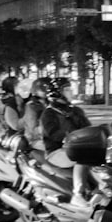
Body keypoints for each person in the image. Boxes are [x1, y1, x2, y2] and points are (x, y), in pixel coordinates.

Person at [40, 77, 92, 206]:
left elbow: (88, 128)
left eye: (70, 89)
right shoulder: (49, 114)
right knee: (83, 159)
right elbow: (53, 134)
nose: (71, 92)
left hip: (77, 147)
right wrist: (70, 138)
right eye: (67, 89)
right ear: (57, 93)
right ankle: (78, 194)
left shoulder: (75, 111)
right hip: (57, 151)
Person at [22, 77, 52, 152]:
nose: (46, 91)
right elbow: (32, 130)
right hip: (35, 140)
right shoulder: (31, 106)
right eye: (43, 89)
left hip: (49, 137)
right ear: (36, 91)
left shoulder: (50, 104)